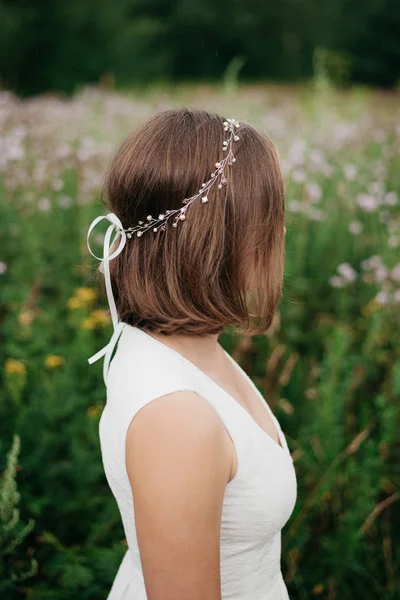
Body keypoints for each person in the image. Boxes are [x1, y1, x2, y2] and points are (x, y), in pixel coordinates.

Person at [87, 108, 297, 600]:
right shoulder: (176, 417)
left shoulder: (184, 347)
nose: (281, 236)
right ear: (216, 241)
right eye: (268, 220)